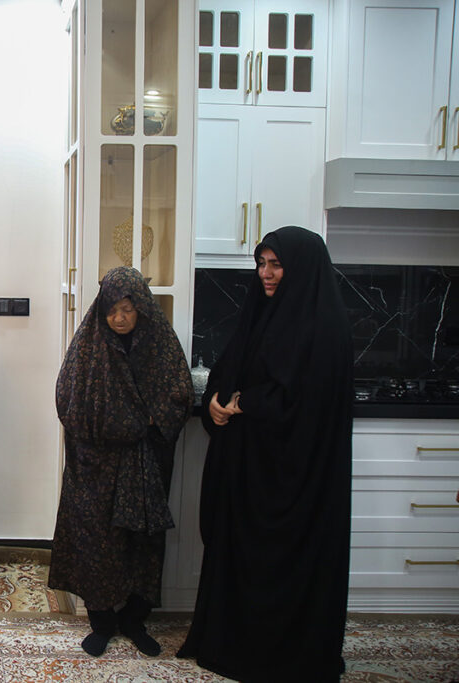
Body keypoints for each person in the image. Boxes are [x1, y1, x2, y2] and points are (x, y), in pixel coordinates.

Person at [177, 226, 353, 681]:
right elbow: (229, 368)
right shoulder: (261, 313)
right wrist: (215, 402)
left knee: (280, 566)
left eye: (276, 265)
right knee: (239, 559)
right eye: (261, 263)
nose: (266, 274)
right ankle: (228, 643)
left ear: (302, 269)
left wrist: (246, 403)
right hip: (247, 473)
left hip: (294, 483)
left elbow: (307, 402)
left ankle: (275, 657)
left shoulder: (325, 329)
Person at [49, 267, 194, 657]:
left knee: (143, 543)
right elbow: (68, 398)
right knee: (96, 540)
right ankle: (101, 622)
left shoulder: (160, 344)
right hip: (96, 465)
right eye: (112, 309)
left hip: (145, 465)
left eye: (127, 309)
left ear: (141, 307)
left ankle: (134, 620)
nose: (119, 318)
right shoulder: (89, 344)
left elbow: (179, 394)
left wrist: (145, 420)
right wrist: (127, 421)